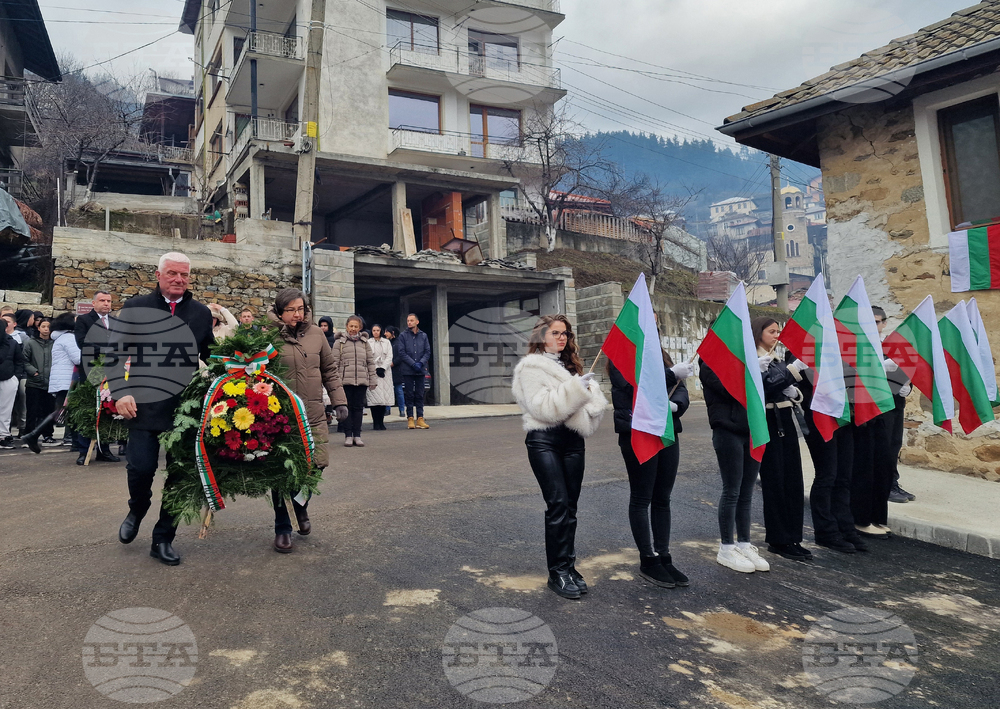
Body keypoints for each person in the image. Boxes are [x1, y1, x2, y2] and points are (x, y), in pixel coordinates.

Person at [115, 252, 214, 566]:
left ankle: (162, 538)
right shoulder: (135, 308)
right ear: (158, 275)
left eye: (184, 275)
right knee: (141, 468)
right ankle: (137, 508)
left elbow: (213, 354)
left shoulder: (200, 313)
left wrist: (244, 372)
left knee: (179, 475)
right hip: (142, 406)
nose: (179, 280)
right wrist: (121, 392)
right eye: (172, 273)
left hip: (184, 410)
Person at [511, 315, 606, 600]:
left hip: (573, 441)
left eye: (565, 333)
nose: (562, 338)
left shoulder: (570, 366)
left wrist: (589, 392)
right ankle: (557, 573)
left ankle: (568, 566)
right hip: (544, 441)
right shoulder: (530, 367)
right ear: (542, 336)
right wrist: (577, 390)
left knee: (571, 506)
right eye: (555, 333)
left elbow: (594, 407)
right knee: (558, 505)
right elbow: (543, 409)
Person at [269, 289, 348, 552]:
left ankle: (301, 507)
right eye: (291, 310)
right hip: (281, 417)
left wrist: (339, 401)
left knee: (316, 466)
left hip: (314, 414)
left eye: (300, 308)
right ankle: (283, 527)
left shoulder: (317, 334)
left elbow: (329, 370)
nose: (297, 314)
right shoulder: (268, 336)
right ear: (280, 312)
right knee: (282, 475)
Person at [610, 351, 693, 588]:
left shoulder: (661, 355)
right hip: (638, 431)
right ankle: (648, 559)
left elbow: (680, 388)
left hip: (666, 428)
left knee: (662, 498)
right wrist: (670, 375)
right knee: (641, 497)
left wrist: (677, 405)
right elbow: (632, 386)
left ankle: (663, 556)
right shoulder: (621, 354)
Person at [700, 348, 771, 574]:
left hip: (750, 428)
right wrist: (750, 372)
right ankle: (726, 547)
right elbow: (728, 389)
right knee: (732, 490)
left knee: (746, 491)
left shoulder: (742, 361)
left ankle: (744, 543)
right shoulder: (709, 363)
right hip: (727, 430)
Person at [752, 317, 813, 561]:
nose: (776, 335)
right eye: (771, 331)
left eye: (778, 331)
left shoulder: (776, 358)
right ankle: (778, 539)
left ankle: (793, 536)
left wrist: (794, 391)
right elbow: (766, 386)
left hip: (786, 419)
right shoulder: (756, 361)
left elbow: (787, 387)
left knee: (793, 480)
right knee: (775, 481)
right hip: (768, 420)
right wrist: (792, 373)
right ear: (759, 333)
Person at [332, 315, 377, 447]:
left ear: (360, 328)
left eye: (356, 326)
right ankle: (348, 435)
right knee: (346, 408)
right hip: (344, 381)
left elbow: (370, 362)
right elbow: (334, 364)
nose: (353, 329)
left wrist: (372, 379)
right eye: (351, 326)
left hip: (361, 381)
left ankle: (357, 435)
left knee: (358, 408)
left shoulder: (365, 343)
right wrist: (335, 382)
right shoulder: (339, 342)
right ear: (346, 327)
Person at [46, 313, 83, 455]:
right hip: (68, 380)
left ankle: (72, 440)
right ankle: (74, 441)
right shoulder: (68, 338)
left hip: (61, 380)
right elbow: (78, 358)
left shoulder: (60, 338)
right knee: (72, 412)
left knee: (67, 411)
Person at [22, 317, 58, 446]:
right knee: (33, 411)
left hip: (51, 383)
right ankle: (29, 435)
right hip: (34, 383)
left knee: (49, 410)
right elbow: (24, 360)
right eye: (43, 326)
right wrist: (33, 372)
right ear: (38, 328)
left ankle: (48, 435)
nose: (46, 329)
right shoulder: (31, 343)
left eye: (48, 327)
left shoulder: (55, 343)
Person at [397, 313, 431, 429]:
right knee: (409, 394)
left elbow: (427, 352)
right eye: (408, 321)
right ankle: (410, 418)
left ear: (417, 322)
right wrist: (412, 363)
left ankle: (420, 418)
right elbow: (401, 352)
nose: (409, 322)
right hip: (408, 370)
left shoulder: (424, 336)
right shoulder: (403, 336)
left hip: (420, 370)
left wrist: (421, 363)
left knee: (420, 394)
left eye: (411, 320)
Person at [0, 313, 24, 448]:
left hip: (8, 378)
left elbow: (19, 361)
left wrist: (16, 377)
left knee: (6, 409)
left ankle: (3, 435)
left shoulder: (12, 342)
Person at [366, 324, 394, 431]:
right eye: (374, 330)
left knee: (383, 398)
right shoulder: (369, 342)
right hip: (373, 371)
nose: (376, 332)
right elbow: (367, 357)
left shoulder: (387, 342)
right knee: (374, 398)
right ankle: (375, 422)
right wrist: (375, 368)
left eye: (378, 330)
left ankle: (381, 422)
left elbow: (389, 356)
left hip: (385, 372)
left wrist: (383, 367)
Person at [385, 326, 406, 417]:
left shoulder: (399, 342)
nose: (385, 334)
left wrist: (393, 363)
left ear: (392, 332)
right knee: (387, 391)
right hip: (387, 370)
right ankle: (387, 409)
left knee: (399, 390)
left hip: (396, 370)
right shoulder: (386, 343)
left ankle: (402, 410)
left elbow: (401, 356)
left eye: (387, 332)